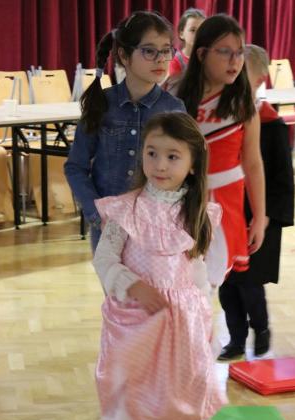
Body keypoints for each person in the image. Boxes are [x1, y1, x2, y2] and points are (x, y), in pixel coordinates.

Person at [92, 112, 226, 420]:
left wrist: (206, 318)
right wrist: (132, 285)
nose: (160, 164)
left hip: (184, 327)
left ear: (193, 163)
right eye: (152, 153)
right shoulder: (126, 210)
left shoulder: (198, 212)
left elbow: (199, 271)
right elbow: (104, 258)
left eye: (172, 156)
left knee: (187, 407)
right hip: (138, 325)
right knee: (134, 409)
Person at [64, 11, 185, 254]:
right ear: (123, 55)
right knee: (113, 280)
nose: (160, 59)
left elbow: (185, 171)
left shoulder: (174, 109)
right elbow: (75, 167)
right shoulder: (101, 104)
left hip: (157, 229)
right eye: (149, 51)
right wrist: (97, 213)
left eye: (166, 51)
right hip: (109, 228)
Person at [177, 14, 267, 291]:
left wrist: (260, 217)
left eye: (239, 53)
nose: (235, 61)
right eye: (225, 52)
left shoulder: (244, 105)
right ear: (201, 54)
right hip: (180, 201)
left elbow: (253, 164)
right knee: (179, 280)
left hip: (226, 204)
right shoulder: (174, 94)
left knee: (209, 284)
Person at [217, 44, 294, 360]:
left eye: (243, 71)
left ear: (260, 78)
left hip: (259, 217)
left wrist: (266, 217)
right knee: (226, 282)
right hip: (227, 212)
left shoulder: (270, 123)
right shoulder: (222, 118)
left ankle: (260, 330)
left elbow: (281, 177)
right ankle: (235, 339)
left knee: (249, 282)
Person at [168, 8, 206, 78]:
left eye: (201, 30)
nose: (198, 34)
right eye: (193, 30)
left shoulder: (208, 58)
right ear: (181, 34)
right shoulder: (175, 61)